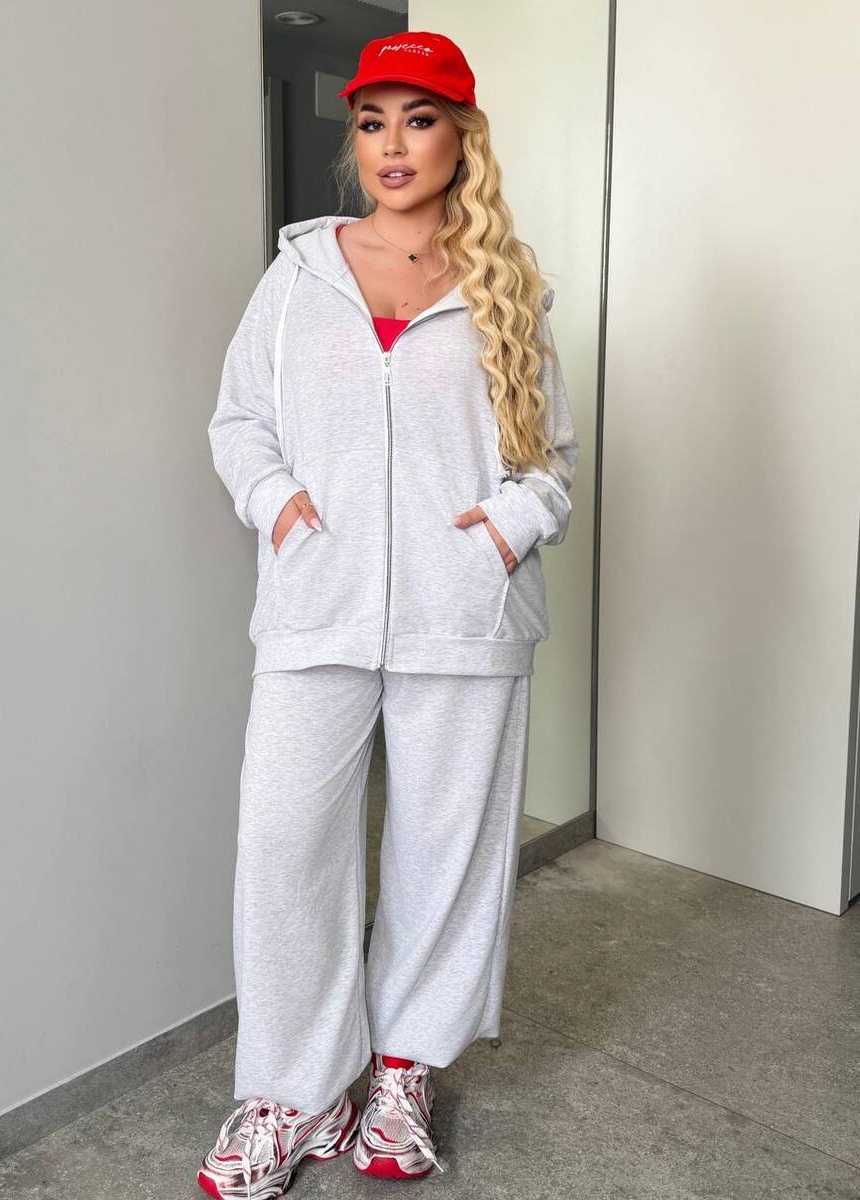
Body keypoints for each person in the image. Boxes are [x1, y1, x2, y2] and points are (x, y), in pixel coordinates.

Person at [197, 29, 579, 1200]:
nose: (392, 145)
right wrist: (277, 503)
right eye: (371, 122)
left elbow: (549, 469)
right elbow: (237, 423)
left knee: (444, 855)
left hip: (464, 618)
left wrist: (499, 532)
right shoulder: (298, 278)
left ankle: (403, 1072)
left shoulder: (504, 287)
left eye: (419, 119)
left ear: (461, 136)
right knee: (284, 850)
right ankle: (293, 1091)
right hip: (315, 603)